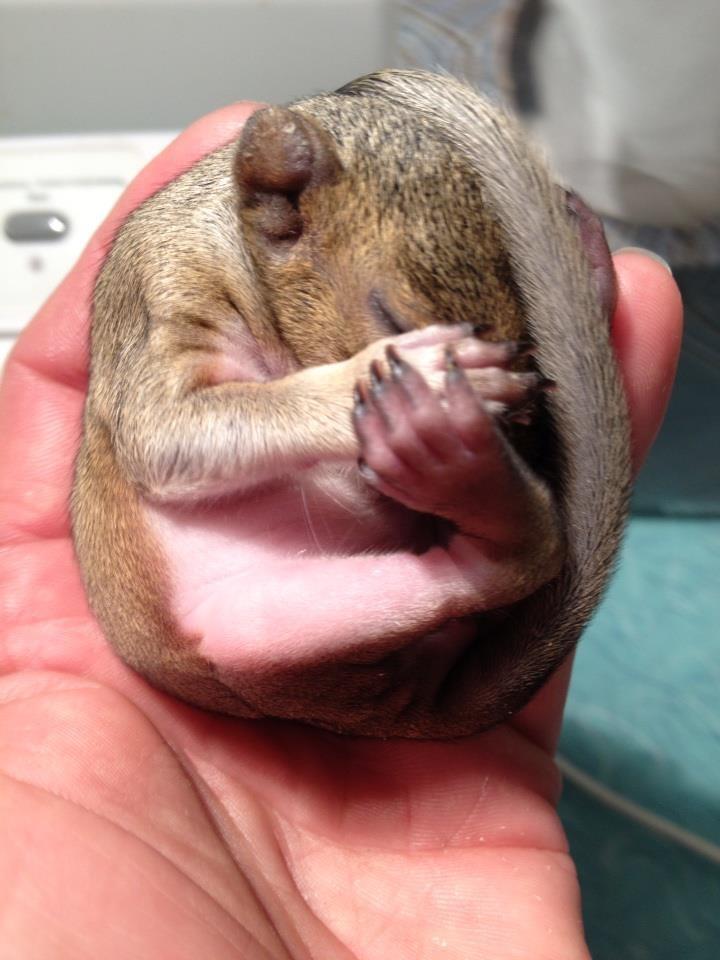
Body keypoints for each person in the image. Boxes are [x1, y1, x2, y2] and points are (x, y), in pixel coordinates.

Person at [0, 103, 682, 958]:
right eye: (396, 321)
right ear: (280, 210)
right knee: (239, 622)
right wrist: (350, 390)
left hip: (378, 563)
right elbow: (164, 447)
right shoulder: (173, 258)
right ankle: (503, 556)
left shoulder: (323, 265)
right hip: (217, 608)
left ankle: (504, 529)